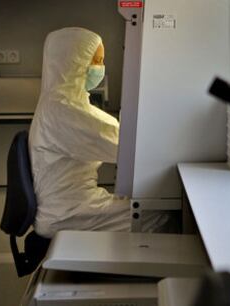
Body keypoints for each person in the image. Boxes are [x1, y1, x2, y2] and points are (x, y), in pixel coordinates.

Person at [29, 27, 166, 238]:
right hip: (67, 214)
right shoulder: (64, 110)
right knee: (160, 215)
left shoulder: (62, 104)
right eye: (97, 61)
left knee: (143, 207)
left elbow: (111, 133)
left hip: (70, 207)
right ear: (75, 62)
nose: (100, 68)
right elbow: (126, 148)